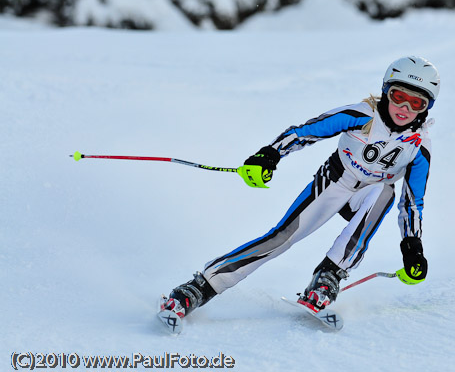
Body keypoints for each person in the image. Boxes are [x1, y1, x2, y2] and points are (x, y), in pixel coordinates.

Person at [161, 56, 440, 318]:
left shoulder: (419, 146)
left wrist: (412, 244)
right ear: (385, 91)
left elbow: (413, 201)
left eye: (417, 103)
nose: (405, 108)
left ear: (427, 108)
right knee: (281, 238)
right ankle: (200, 286)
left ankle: (327, 277)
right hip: (335, 182)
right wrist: (269, 155)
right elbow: (305, 132)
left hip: (369, 195)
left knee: (385, 192)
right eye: (399, 96)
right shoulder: (361, 114)